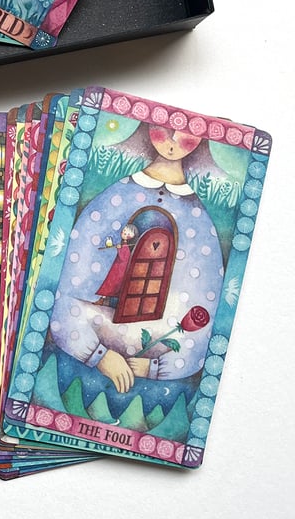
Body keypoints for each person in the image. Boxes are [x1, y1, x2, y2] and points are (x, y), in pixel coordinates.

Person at [49, 124, 225, 395]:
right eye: (165, 127)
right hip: (97, 335)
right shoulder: (116, 197)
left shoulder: (198, 220)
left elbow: (205, 316)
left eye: (187, 132)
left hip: (156, 349)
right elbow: (66, 289)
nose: (173, 138)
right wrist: (98, 354)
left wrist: (155, 367)